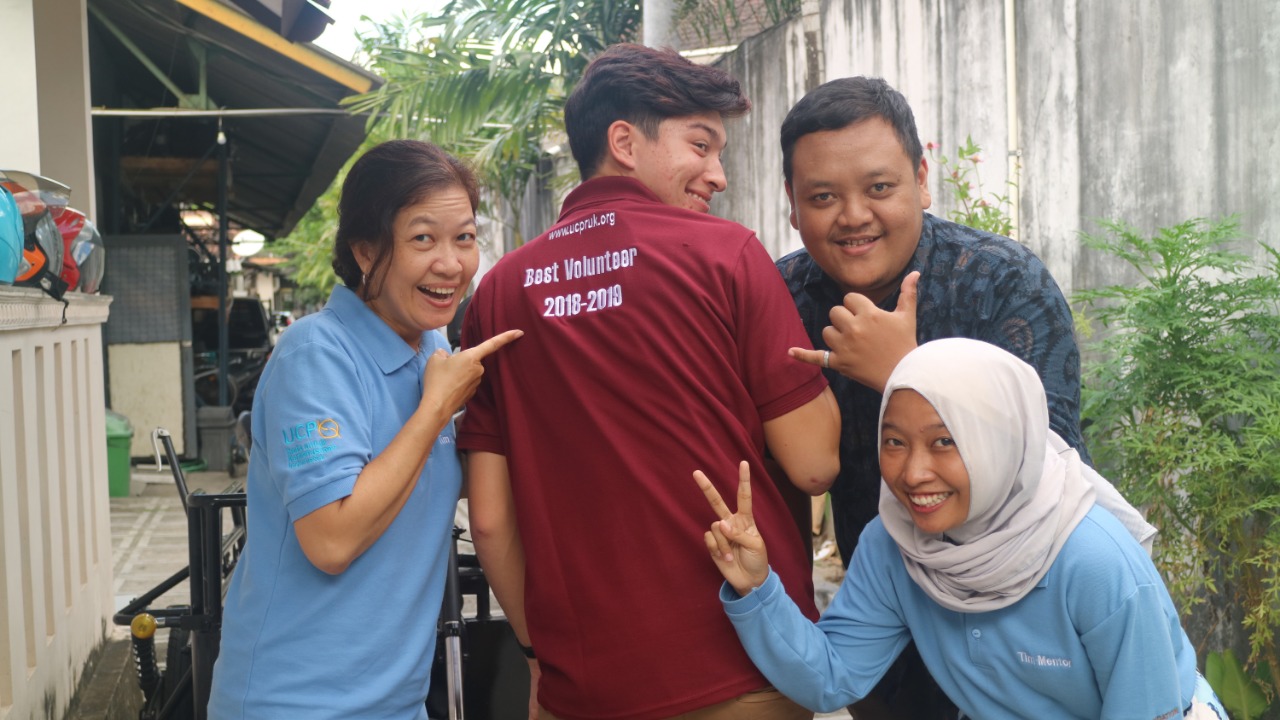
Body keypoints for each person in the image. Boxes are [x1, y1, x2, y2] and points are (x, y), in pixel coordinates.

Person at [459, 43, 841, 720]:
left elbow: (489, 522)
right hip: (742, 670)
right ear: (624, 142)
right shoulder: (727, 255)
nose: (718, 175)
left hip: (583, 687)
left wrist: (537, 654)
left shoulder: (499, 292)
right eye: (701, 145)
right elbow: (813, 465)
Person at [773, 76, 1097, 717]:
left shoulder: (1001, 280)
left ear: (921, 178)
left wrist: (907, 373)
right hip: (885, 619)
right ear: (792, 203)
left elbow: (1056, 460)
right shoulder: (777, 301)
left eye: (879, 187)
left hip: (1023, 613)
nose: (854, 215)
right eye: (823, 196)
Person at [695, 338, 1227, 719]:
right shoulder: (895, 544)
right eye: (894, 441)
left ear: (997, 441)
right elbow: (832, 678)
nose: (912, 472)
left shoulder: (1092, 560)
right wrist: (757, 589)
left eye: (945, 441)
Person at [208, 139, 521, 719]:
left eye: (465, 237)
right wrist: (436, 409)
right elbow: (331, 539)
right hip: (294, 704)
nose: (451, 264)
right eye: (423, 238)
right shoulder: (317, 353)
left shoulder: (431, 349)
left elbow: (426, 477)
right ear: (365, 250)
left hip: (396, 703)